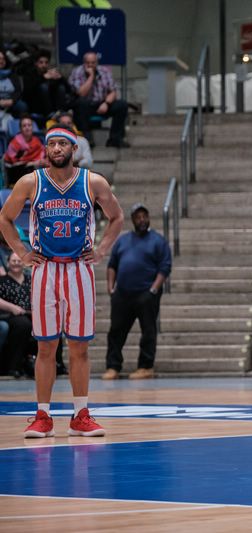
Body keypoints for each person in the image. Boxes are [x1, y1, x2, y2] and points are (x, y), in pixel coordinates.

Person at [0, 125, 123, 438]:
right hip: (45, 270)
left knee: (79, 347)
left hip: (79, 269)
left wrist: (102, 249)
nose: (56, 149)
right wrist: (22, 252)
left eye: (62, 143)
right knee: (46, 347)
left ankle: (81, 415)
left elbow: (117, 217)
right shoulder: (31, 182)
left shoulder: (93, 181)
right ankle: (43, 416)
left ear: (74, 148)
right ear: (46, 150)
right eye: (51, 144)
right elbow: (4, 218)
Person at [103, 203, 171, 380]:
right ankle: (113, 367)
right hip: (123, 294)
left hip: (146, 294)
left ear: (148, 218)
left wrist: (154, 289)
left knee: (148, 331)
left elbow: (165, 266)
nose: (141, 220)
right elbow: (112, 265)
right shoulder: (123, 240)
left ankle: (146, 366)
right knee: (116, 331)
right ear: (132, 220)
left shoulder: (158, 240)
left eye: (144, 216)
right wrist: (111, 287)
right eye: (137, 217)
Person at [69, 51, 129, 148]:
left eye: (93, 63)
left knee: (122, 105)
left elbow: (113, 91)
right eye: (88, 63)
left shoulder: (104, 71)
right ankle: (87, 139)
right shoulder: (77, 72)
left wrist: (106, 103)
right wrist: (91, 76)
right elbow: (81, 93)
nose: (90, 65)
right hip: (85, 106)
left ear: (97, 63)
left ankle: (115, 139)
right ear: (84, 63)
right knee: (81, 103)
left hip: (102, 104)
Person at [20, 50, 73, 124]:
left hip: (52, 105)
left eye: (46, 62)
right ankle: (50, 114)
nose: (44, 65)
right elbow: (27, 91)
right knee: (43, 87)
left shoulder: (50, 73)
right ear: (36, 63)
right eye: (41, 62)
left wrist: (60, 78)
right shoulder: (30, 73)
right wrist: (43, 77)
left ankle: (61, 113)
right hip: (35, 105)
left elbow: (68, 90)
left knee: (61, 87)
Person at [3, 115, 46, 185]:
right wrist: (31, 163)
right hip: (16, 174)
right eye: (24, 126)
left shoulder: (37, 141)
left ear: (32, 127)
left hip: (33, 172)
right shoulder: (14, 143)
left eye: (29, 125)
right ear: (20, 129)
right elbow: (12, 163)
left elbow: (42, 155)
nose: (27, 128)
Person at [0, 50, 24, 129]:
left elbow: (18, 90)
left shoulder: (12, 74)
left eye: (3, 59)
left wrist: (12, 100)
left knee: (22, 106)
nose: (1, 61)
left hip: (11, 101)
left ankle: (19, 128)